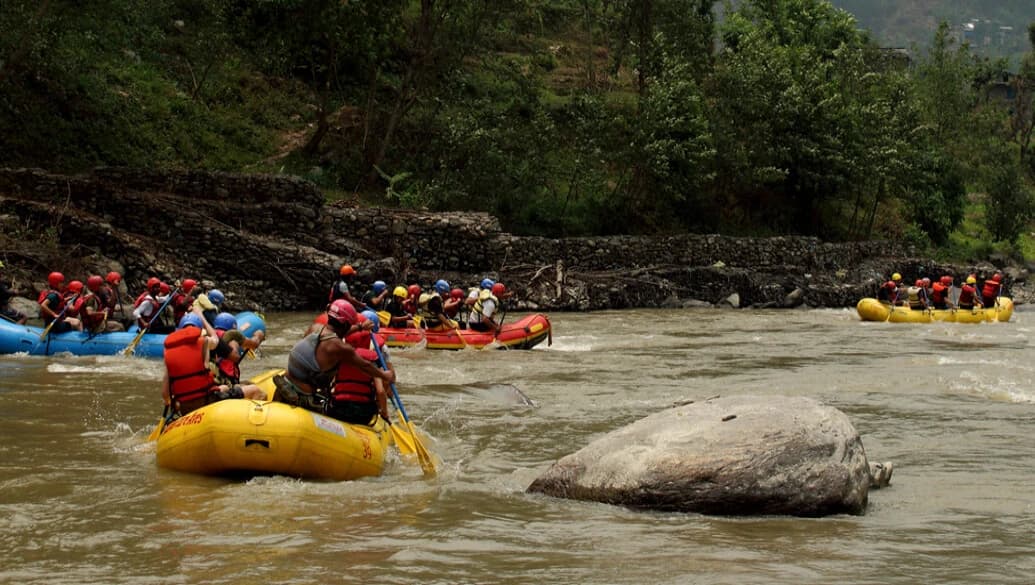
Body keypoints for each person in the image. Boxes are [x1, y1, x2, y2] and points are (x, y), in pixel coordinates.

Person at [274, 299, 395, 414]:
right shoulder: (340, 347)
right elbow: (365, 365)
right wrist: (384, 375)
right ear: (345, 324)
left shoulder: (315, 328)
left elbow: (336, 333)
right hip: (302, 395)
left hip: (286, 380)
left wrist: (360, 327)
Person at [161, 309, 266, 418]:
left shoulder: (168, 353)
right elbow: (217, 341)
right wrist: (202, 317)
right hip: (207, 401)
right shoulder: (204, 342)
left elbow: (165, 394)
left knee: (224, 388)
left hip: (184, 408)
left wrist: (176, 403)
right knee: (256, 390)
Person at [326, 312, 391, 426]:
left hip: (338, 408)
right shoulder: (372, 359)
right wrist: (384, 413)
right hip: (363, 413)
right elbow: (381, 391)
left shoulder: (339, 355)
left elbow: (328, 382)